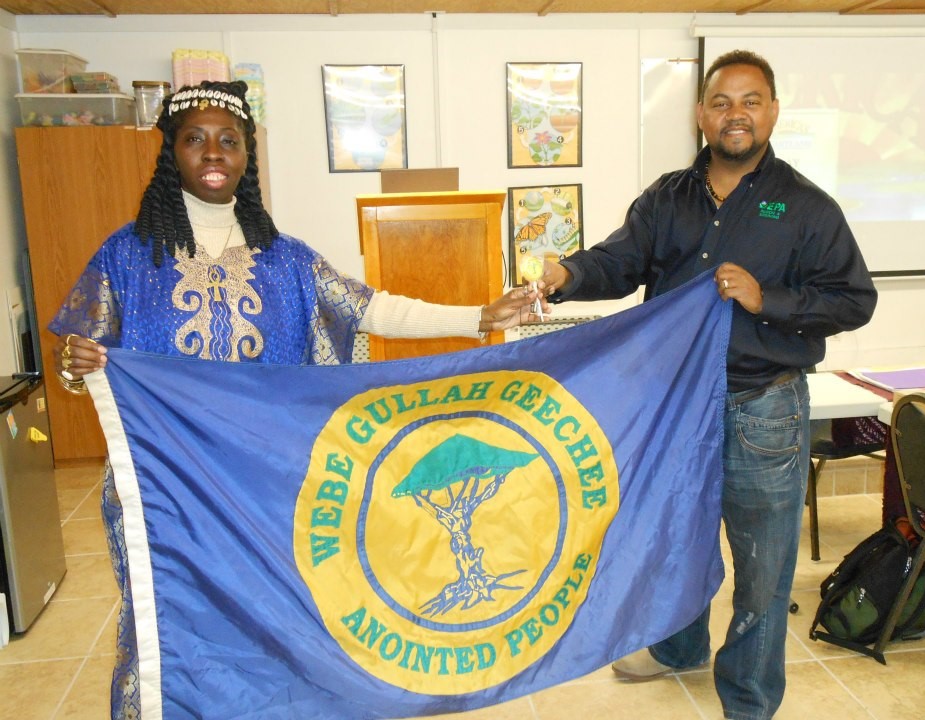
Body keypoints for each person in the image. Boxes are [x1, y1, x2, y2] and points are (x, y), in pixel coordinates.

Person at [48, 79, 541, 720]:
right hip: (162, 488)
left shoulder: (287, 261)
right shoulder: (125, 256)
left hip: (264, 486)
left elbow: (372, 309)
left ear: (248, 155)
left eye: (230, 140)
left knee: (274, 616)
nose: (214, 152)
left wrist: (480, 313)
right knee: (165, 614)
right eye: (196, 140)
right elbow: (77, 360)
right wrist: (72, 363)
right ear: (172, 153)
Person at [539, 51, 877, 720]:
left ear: (773, 112)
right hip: (674, 410)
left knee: (761, 571)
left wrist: (766, 298)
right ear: (700, 115)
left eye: (751, 101)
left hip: (764, 409)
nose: (736, 114)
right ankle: (678, 648)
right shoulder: (668, 197)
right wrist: (567, 275)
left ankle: (748, 701)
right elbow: (621, 259)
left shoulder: (808, 207)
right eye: (722, 102)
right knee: (674, 542)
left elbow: (853, 299)